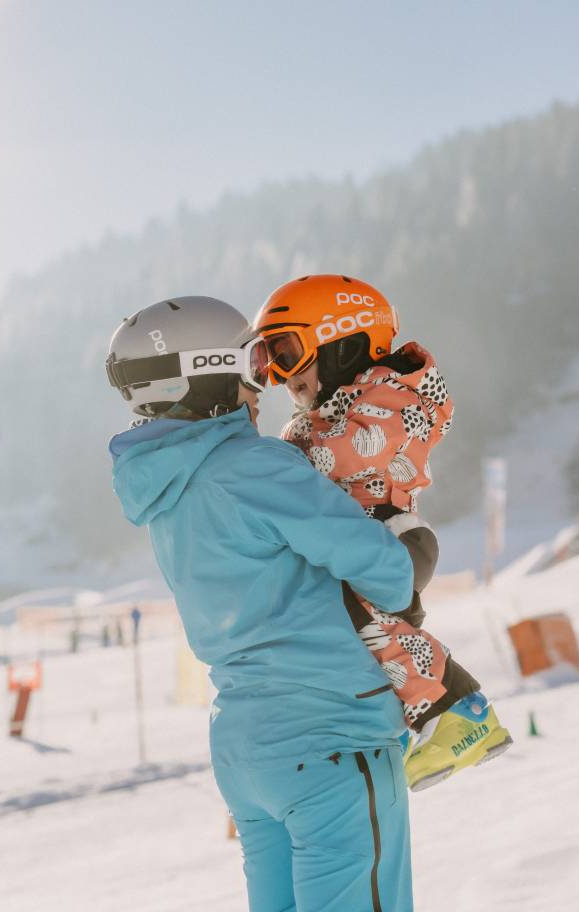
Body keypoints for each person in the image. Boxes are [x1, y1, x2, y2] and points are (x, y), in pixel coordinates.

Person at [107, 295, 415, 911]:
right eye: (253, 363)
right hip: (329, 735)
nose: (264, 383)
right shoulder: (254, 465)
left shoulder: (165, 490)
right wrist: (412, 559)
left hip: (245, 747)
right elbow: (382, 570)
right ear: (212, 374)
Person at [252, 275, 511, 791]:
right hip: (362, 538)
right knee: (378, 636)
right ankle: (459, 712)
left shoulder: (393, 397)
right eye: (265, 361)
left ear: (343, 336)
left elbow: (347, 453)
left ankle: (453, 714)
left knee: (368, 626)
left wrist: (268, 462)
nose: (280, 375)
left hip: (388, 536)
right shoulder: (331, 412)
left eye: (286, 351)